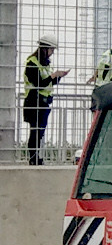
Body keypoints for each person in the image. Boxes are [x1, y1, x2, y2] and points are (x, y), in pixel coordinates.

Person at [22, 35, 68, 165]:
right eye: (51, 49)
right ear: (44, 48)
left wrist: (58, 77)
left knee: (40, 132)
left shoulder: (45, 64)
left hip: (44, 102)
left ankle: (37, 157)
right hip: (34, 101)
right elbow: (39, 83)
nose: (52, 52)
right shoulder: (32, 63)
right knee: (35, 131)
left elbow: (49, 83)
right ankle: (33, 158)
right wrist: (53, 76)